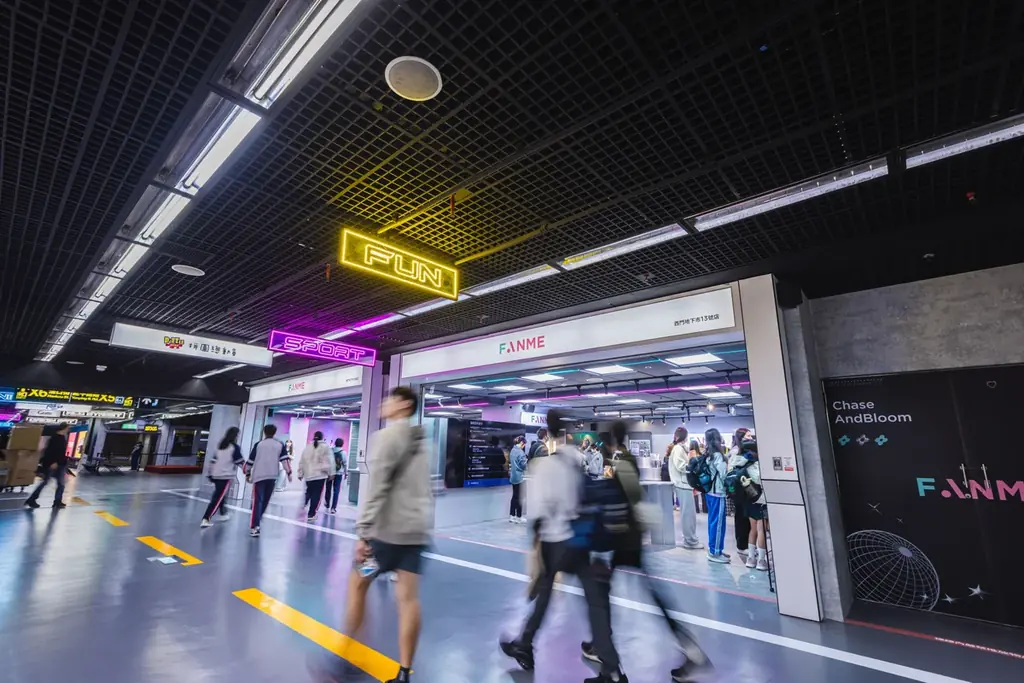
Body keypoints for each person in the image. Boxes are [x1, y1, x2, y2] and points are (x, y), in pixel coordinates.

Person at [580, 420, 711, 683]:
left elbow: (631, 498)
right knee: (645, 594)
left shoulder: (623, 463)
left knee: (603, 596)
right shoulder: (624, 460)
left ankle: (609, 657)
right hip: (629, 539)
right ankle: (601, 646)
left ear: (611, 441)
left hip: (623, 539)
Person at [346, 387, 432, 683]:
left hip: (383, 536)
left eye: (391, 399)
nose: (384, 403)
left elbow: (377, 487)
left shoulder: (384, 438)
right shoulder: (421, 441)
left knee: (358, 585)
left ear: (405, 404)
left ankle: (349, 654)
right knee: (408, 600)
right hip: (414, 534)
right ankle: (404, 672)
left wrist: (363, 534)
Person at [500, 409, 585, 673]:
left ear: (546, 433)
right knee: (593, 596)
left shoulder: (544, 466)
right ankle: (603, 650)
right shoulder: (576, 461)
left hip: (552, 540)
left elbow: (537, 512)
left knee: (545, 593)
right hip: (577, 536)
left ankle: (526, 643)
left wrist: (535, 544)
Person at [729, 439, 769, 571]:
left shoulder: (738, 462)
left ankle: (751, 559)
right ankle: (761, 561)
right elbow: (760, 480)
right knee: (761, 529)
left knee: (752, 529)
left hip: (747, 500)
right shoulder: (754, 464)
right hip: (759, 500)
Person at [244, 424, 291, 537]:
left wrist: (247, 472)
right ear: (275, 432)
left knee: (258, 501)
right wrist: (289, 473)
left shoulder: (259, 444)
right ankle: (257, 520)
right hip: (272, 476)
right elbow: (285, 461)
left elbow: (250, 461)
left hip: (259, 476)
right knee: (265, 500)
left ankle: (255, 526)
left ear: (264, 432)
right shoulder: (279, 444)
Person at [201, 427, 244, 528]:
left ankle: (223, 513)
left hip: (215, 475)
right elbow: (240, 462)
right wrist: (248, 472)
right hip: (225, 476)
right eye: (238, 435)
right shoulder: (234, 447)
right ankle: (206, 518)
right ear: (235, 436)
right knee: (217, 498)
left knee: (220, 495)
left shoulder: (220, 446)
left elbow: (213, 460)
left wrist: (210, 473)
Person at [668, 426, 702, 549]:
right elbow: (680, 465)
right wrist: (691, 465)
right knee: (688, 514)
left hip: (684, 484)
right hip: (682, 484)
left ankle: (690, 538)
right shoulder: (678, 449)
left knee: (689, 514)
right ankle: (690, 540)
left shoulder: (680, 448)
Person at [25, 423, 70, 510]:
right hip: (54, 464)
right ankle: (32, 499)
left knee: (60, 484)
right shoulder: (55, 438)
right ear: (63, 428)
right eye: (68, 428)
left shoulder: (61, 438)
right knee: (46, 483)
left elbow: (60, 452)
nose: (68, 429)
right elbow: (51, 451)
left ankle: (57, 501)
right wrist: (53, 462)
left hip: (60, 464)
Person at [703, 428, 730, 563]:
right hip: (718, 492)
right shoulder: (718, 456)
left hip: (710, 492)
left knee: (713, 522)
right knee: (718, 523)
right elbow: (724, 474)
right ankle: (715, 552)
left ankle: (716, 549)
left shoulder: (708, 454)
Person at [298, 431, 333, 521]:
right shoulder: (325, 447)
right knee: (317, 495)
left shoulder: (307, 447)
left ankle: (305, 503)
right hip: (320, 476)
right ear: (322, 437)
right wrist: (331, 473)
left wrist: (300, 473)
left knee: (309, 491)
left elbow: (302, 461)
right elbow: (329, 461)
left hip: (308, 475)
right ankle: (311, 514)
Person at [730, 428, 752, 561]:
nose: (750, 438)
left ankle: (747, 544)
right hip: (739, 488)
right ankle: (741, 545)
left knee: (747, 517)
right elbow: (733, 468)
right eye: (747, 436)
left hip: (748, 488)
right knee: (741, 518)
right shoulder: (735, 451)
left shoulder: (748, 450)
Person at [509, 435, 528, 523]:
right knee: (520, 497)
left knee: (514, 496)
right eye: (524, 444)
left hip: (513, 477)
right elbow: (523, 465)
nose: (524, 446)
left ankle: (512, 516)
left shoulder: (512, 450)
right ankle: (519, 517)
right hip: (520, 477)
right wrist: (527, 461)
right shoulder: (520, 452)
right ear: (521, 443)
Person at [324, 438, 346, 514]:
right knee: (336, 491)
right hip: (339, 473)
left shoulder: (330, 450)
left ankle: (327, 503)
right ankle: (333, 508)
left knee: (328, 489)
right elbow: (345, 463)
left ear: (335, 443)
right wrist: (346, 473)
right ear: (342, 444)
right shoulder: (343, 452)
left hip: (330, 473)